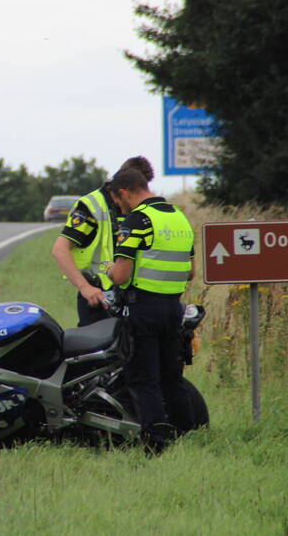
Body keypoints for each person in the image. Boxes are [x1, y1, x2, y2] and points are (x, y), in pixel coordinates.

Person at [105, 162, 196, 454]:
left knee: (144, 379)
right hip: (173, 309)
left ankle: (156, 445)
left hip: (142, 309)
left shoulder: (137, 221)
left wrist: (109, 269)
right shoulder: (179, 218)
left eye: (117, 202)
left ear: (123, 193)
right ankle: (188, 435)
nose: (118, 208)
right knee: (172, 377)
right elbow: (191, 272)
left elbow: (121, 276)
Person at [51, 156, 156, 326]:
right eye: (136, 191)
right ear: (125, 188)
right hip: (100, 299)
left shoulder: (143, 207)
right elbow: (60, 250)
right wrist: (84, 287)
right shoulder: (92, 206)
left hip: (137, 299)